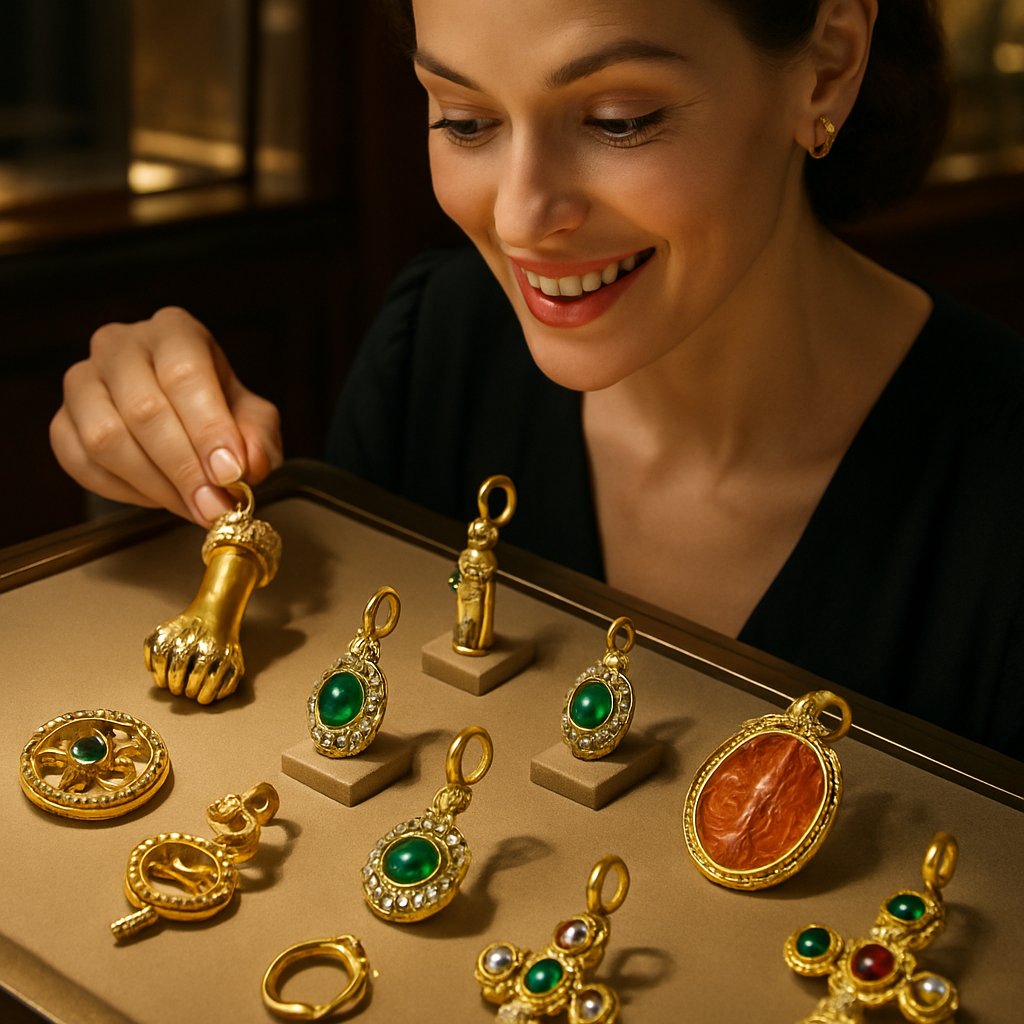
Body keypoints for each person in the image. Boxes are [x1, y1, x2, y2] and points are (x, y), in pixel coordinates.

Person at [49, 0, 1024, 759]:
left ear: (829, 63)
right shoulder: (434, 344)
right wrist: (152, 476)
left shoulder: (996, 485)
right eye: (465, 120)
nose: (519, 218)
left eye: (617, 119)